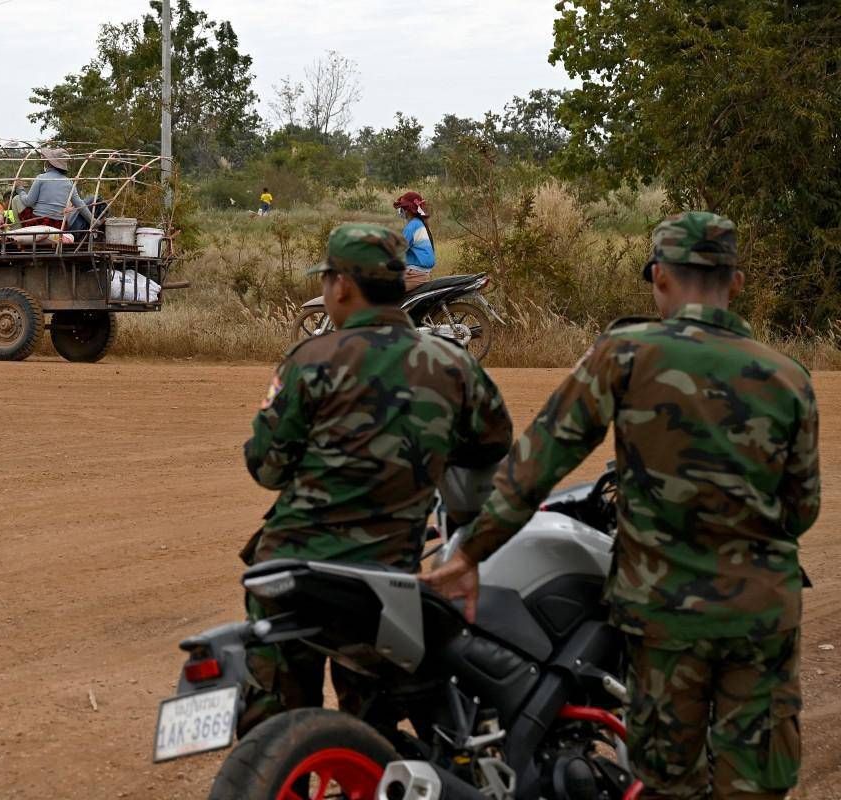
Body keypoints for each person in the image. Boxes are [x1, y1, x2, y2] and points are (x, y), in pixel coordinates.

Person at [421, 212, 820, 800]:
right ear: (735, 283)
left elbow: (537, 464)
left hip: (665, 615)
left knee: (669, 782)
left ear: (659, 277)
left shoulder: (626, 354)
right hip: (762, 615)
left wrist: (468, 554)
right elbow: (801, 508)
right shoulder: (789, 377)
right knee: (756, 786)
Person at [240, 222, 514, 734]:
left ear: (343, 286)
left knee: (272, 726)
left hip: (291, 570)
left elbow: (266, 468)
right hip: (384, 579)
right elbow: (490, 447)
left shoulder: (309, 360)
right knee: (374, 729)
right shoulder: (452, 364)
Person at [15, 147, 96, 230]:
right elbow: (80, 204)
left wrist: (20, 189)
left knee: (17, 198)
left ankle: (16, 231)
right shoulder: (69, 182)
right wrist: (93, 221)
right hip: (59, 225)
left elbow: (28, 202)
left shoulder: (41, 178)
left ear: (49, 163)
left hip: (39, 223)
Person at [393, 191, 435, 291]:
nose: (400, 211)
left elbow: (399, 250)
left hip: (414, 274)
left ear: (407, 210)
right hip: (422, 273)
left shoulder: (412, 226)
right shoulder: (420, 223)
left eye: (402, 208)